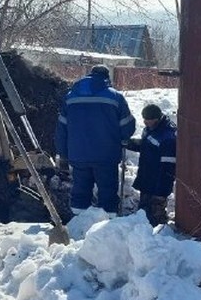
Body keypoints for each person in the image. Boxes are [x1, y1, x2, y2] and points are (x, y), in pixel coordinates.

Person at [55, 64, 135, 217]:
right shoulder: (115, 97)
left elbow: (61, 129)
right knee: (108, 192)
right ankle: (108, 224)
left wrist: (63, 153)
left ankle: (78, 223)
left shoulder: (70, 97)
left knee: (80, 192)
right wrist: (123, 139)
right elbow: (127, 126)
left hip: (78, 154)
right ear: (106, 78)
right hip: (106, 155)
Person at [124, 104, 177, 226]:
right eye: (144, 120)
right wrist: (131, 144)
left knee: (156, 215)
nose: (145, 122)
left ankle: (160, 233)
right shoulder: (151, 128)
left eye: (148, 120)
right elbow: (147, 146)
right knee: (143, 213)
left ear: (156, 119)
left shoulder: (168, 136)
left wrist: (161, 189)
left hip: (159, 181)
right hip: (147, 178)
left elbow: (168, 166)